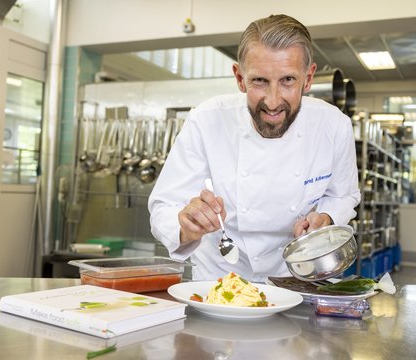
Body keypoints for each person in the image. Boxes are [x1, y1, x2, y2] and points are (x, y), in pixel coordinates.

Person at [148, 14, 361, 282]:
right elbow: (163, 206)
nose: (273, 102)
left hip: (297, 278)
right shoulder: (206, 119)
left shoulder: (334, 126)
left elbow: (344, 195)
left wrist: (326, 218)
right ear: (239, 78)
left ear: (308, 79)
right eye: (259, 81)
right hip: (220, 280)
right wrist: (186, 225)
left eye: (288, 81)